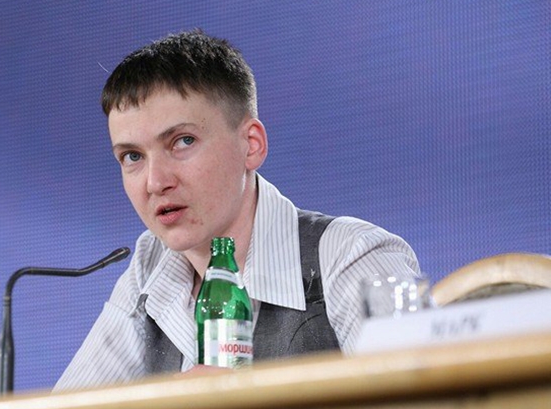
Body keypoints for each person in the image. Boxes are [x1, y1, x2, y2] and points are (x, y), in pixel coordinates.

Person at [54, 30, 419, 390]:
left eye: (182, 141)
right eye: (132, 156)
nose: (155, 182)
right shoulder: (150, 266)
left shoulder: (351, 256)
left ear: (251, 145)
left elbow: (430, 396)